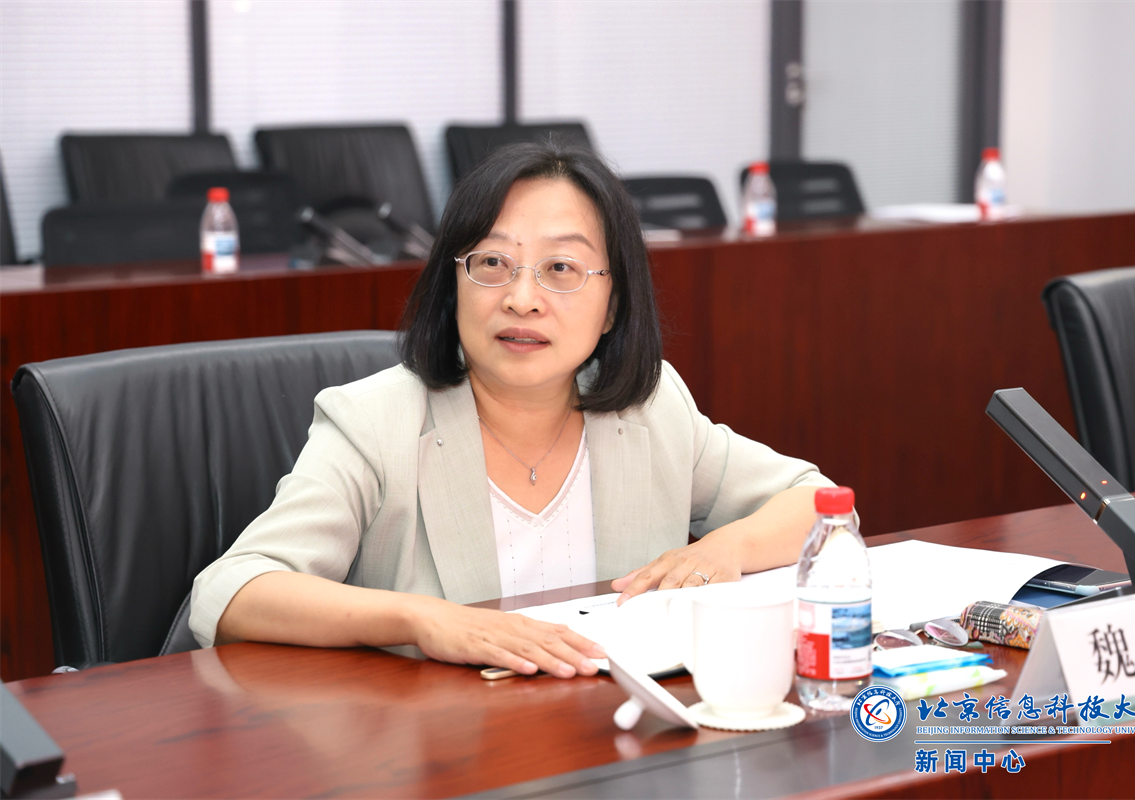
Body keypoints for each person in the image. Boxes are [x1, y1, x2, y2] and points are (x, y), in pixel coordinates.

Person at [190, 142, 843, 680]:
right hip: (437, 753)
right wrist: (422, 619)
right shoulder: (376, 422)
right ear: (454, 284)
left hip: (612, 739)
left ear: (612, 306)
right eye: (493, 263)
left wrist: (727, 548)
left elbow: (823, 507)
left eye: (561, 268)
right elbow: (232, 591)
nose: (522, 298)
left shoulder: (648, 408)